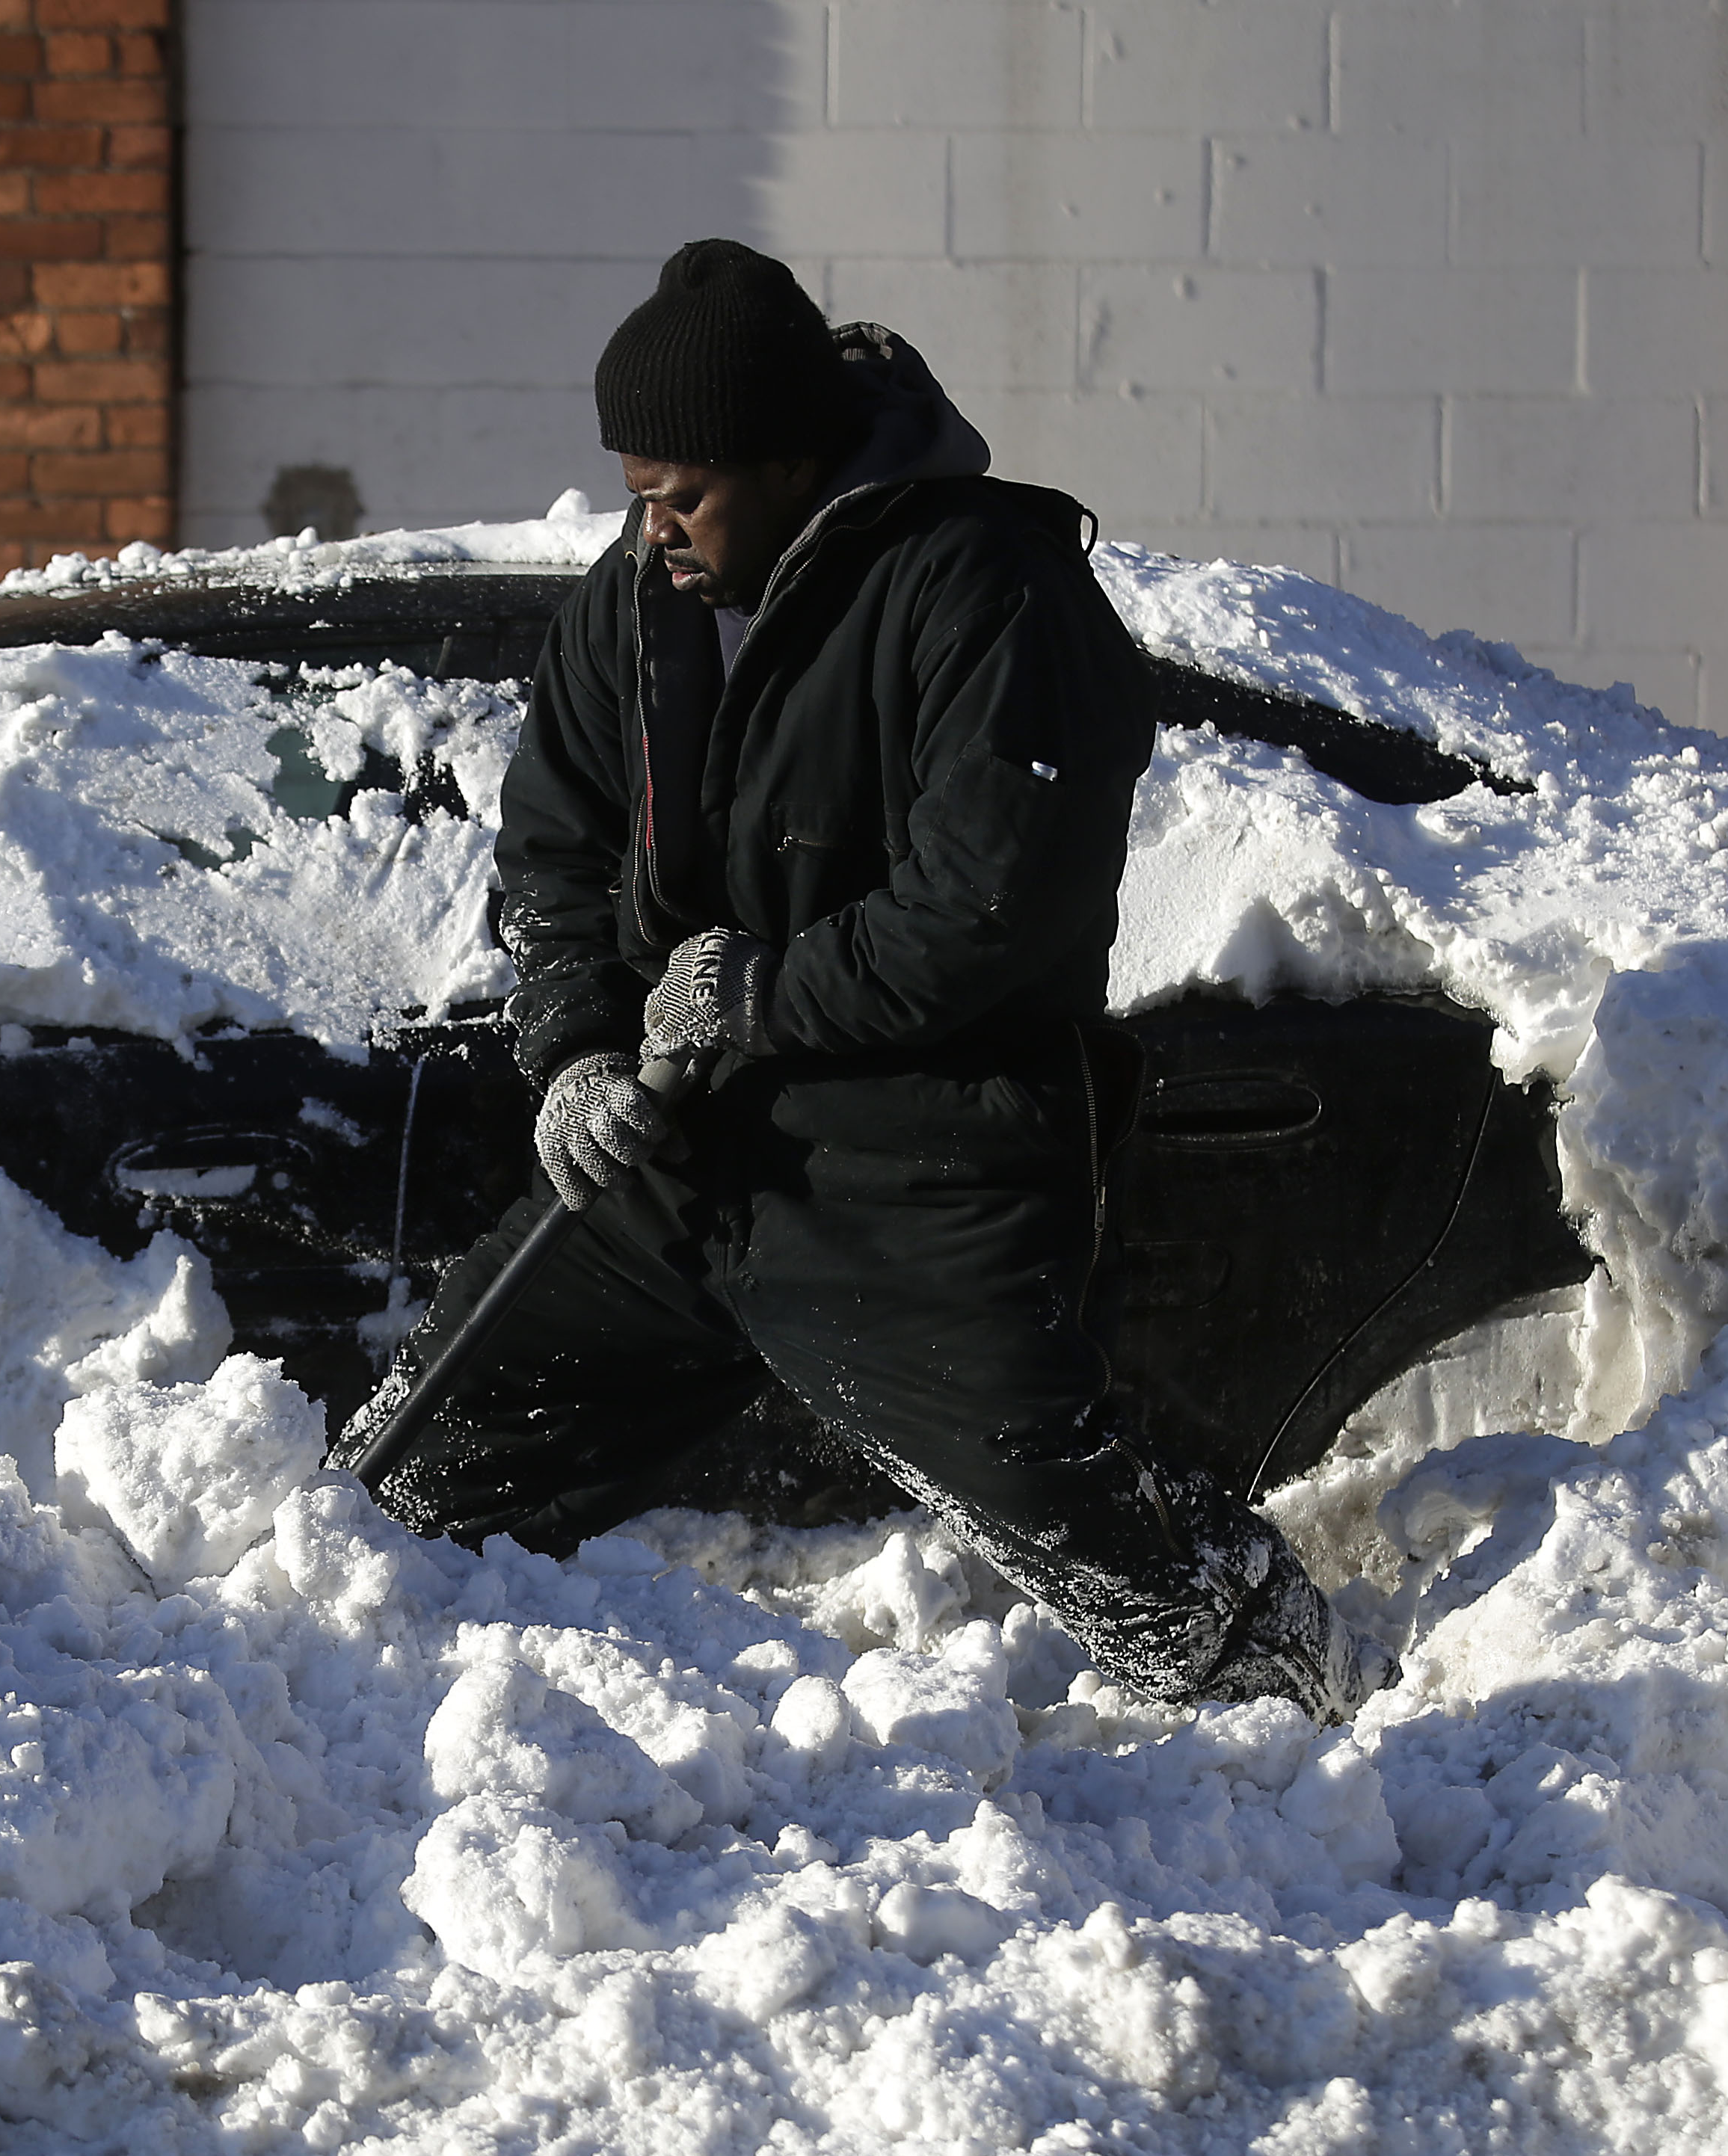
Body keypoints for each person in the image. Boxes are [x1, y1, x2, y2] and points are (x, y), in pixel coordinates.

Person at [337, 238, 1372, 1718]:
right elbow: (554, 857)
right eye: (636, 491)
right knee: (416, 1465)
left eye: (682, 492)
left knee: (1074, 1515)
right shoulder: (630, 609)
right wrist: (574, 1054)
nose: (655, 531)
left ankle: (1274, 1674)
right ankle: (320, 1705)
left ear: (787, 456)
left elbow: (994, 904)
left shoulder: (985, 592)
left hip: (914, 1156)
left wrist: (762, 994)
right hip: (680, 1154)